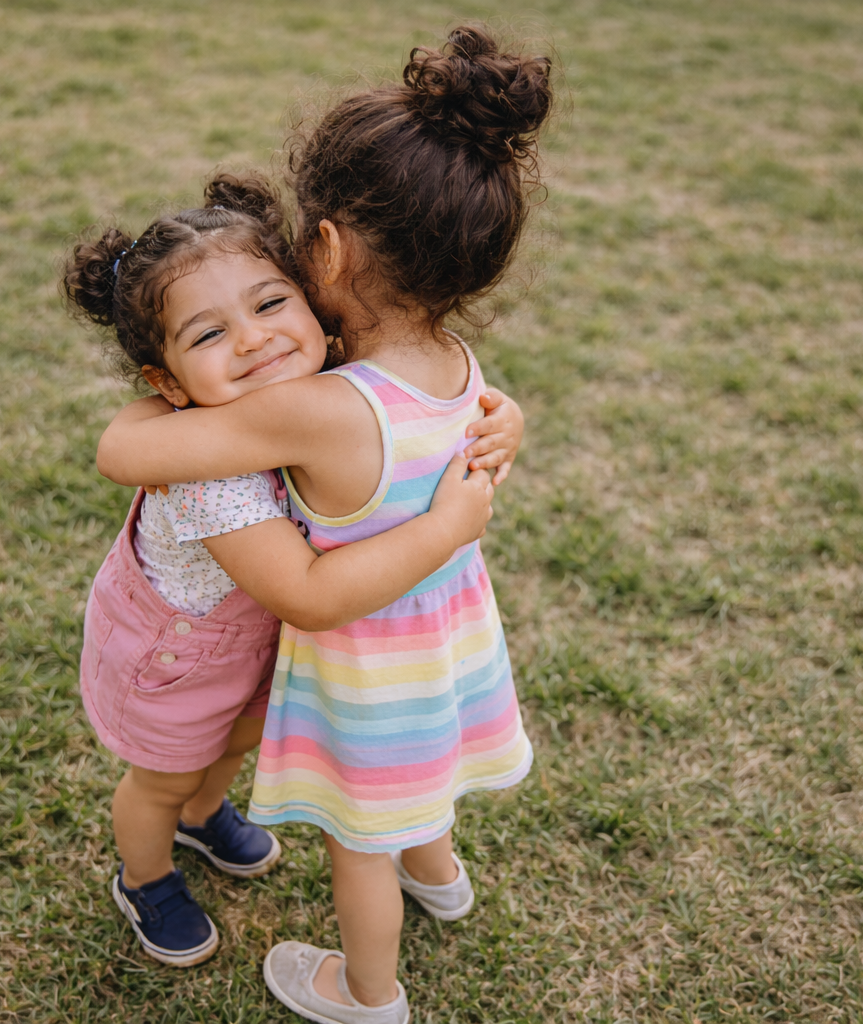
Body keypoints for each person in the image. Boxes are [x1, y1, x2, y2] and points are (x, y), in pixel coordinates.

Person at [96, 25, 551, 1023]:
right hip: (447, 640)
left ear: (329, 249)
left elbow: (125, 453)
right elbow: (460, 420)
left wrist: (447, 525)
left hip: (369, 659)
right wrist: (504, 429)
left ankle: (365, 990)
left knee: (365, 835)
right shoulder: (457, 370)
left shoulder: (318, 406)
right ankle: (446, 877)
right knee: (420, 785)